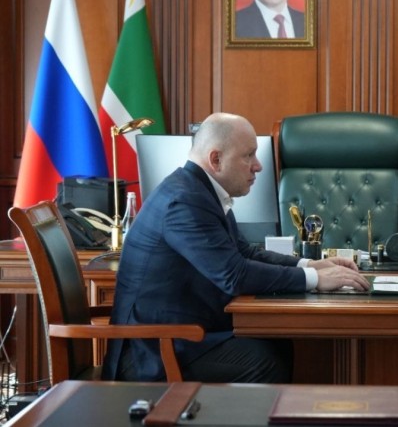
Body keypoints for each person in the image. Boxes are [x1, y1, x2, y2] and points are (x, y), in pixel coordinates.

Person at [102, 112, 370, 383]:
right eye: (248, 156)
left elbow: (245, 252)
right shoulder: (184, 201)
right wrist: (315, 279)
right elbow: (234, 274)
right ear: (216, 159)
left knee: (276, 344)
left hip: (181, 336)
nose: (258, 166)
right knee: (266, 361)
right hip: (154, 351)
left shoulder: (200, 191)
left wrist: (309, 265)